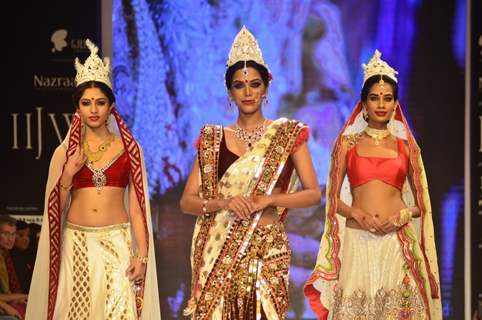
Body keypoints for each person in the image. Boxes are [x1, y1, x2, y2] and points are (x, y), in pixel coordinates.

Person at [180, 26, 321, 320]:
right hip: (219, 251)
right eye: (240, 85)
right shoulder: (211, 139)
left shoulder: (287, 135)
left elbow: (313, 194)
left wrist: (267, 200)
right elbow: (187, 202)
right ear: (230, 91)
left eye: (255, 84)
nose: (248, 92)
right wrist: (223, 203)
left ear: (265, 88)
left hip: (267, 249)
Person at [25, 39, 160, 319]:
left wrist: (142, 255)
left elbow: (137, 208)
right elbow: (54, 211)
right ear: (78, 108)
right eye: (86, 103)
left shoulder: (130, 149)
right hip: (76, 245)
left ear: (111, 106)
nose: (94, 109)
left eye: (100, 102)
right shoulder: (65, 152)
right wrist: (68, 175)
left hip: (117, 243)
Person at [304, 50, 442, 319]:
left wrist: (403, 215)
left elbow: (422, 204)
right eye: (374, 98)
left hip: (396, 241)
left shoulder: (407, 148)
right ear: (364, 104)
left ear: (395, 105)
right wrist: (357, 214)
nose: (381, 104)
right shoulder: (346, 144)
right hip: (358, 240)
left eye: (387, 98)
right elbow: (332, 199)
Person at [10, 221, 35, 294]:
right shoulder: (8, 257)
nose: (26, 239)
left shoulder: (28, 255)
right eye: (21, 235)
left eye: (28, 236)